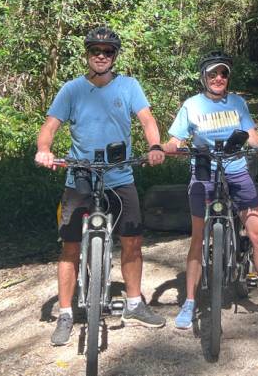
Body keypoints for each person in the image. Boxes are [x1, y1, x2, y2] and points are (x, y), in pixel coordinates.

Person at [35, 26, 168, 346]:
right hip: (80, 174)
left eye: (108, 52)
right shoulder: (72, 90)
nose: (101, 56)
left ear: (115, 56)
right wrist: (44, 150)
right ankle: (66, 312)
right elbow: (49, 127)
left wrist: (155, 146)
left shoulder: (129, 85)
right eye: (96, 50)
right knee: (70, 247)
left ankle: (134, 303)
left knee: (133, 241)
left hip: (119, 174)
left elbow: (148, 121)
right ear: (87, 54)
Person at [161, 50, 258, 329]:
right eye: (213, 74)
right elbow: (176, 139)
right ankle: (190, 302)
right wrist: (168, 148)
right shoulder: (192, 105)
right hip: (204, 171)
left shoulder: (238, 103)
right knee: (198, 238)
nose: (219, 78)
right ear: (204, 77)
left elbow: (253, 135)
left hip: (236, 169)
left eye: (223, 74)